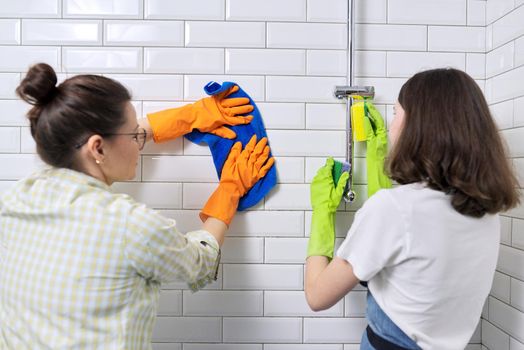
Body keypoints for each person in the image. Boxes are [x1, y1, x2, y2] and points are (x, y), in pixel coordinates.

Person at [0, 63, 274, 349]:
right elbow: (200, 263)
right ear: (98, 148)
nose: (137, 140)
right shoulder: (128, 224)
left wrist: (187, 117)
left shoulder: (16, 199)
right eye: (133, 134)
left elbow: (94, 143)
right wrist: (230, 187)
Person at [304, 68, 520, 350]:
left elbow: (318, 295)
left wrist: (321, 211)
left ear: (417, 126)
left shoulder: (394, 209)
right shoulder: (486, 211)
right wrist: (378, 164)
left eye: (395, 113)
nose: (392, 125)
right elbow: (411, 273)